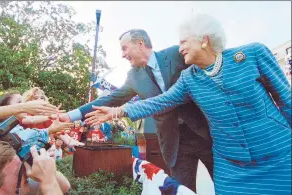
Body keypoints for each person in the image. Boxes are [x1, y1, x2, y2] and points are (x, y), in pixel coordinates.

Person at [86, 14, 292, 195]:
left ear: (204, 40)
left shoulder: (253, 54)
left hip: (280, 155)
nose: (180, 48)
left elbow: (287, 101)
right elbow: (160, 102)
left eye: (184, 42)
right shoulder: (189, 79)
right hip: (231, 167)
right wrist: (118, 111)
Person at [60, 29, 213, 191]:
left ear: (140, 43)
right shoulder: (134, 76)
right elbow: (110, 99)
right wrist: (70, 116)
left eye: (124, 48)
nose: (122, 55)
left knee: (228, 185)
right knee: (182, 191)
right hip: (174, 144)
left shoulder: (176, 54)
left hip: (205, 134)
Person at [0, 140, 70, 195]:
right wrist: (49, 183)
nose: (26, 172)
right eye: (19, 172)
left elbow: (64, 186)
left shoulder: (12, 188)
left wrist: (47, 173)